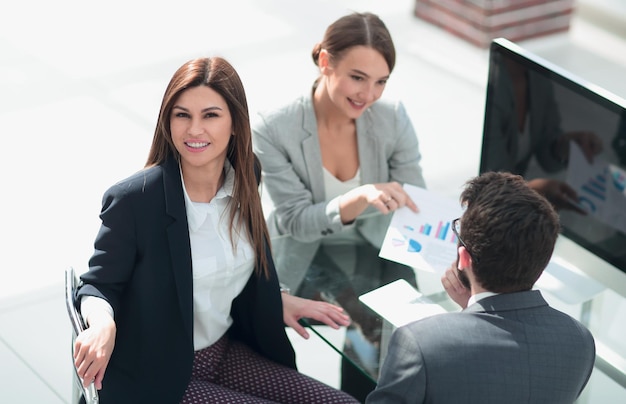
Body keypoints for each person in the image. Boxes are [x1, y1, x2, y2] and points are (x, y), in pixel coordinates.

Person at [72, 57, 360, 403]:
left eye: (210, 115)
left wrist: (276, 298)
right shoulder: (136, 200)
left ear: (236, 123)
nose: (195, 130)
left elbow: (235, 264)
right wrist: (103, 323)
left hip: (223, 350)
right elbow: (98, 285)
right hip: (158, 374)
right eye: (182, 115)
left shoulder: (246, 174)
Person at [252, 11, 426, 399]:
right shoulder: (273, 127)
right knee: (269, 358)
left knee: (401, 350)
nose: (369, 95)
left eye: (381, 81)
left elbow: (416, 201)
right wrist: (358, 197)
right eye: (358, 77)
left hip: (376, 250)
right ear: (325, 62)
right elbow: (296, 221)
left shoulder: (391, 119)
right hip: (301, 255)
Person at [366, 171, 595, 404]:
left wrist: (471, 311)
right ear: (544, 259)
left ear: (463, 257)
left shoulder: (420, 342)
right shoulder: (580, 340)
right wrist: (475, 308)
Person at [482, 53, 602, 213]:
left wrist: (565, 145)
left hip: (507, 205)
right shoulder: (490, 79)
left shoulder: (537, 75)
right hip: (485, 205)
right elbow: (487, 179)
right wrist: (534, 192)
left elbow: (546, 153)